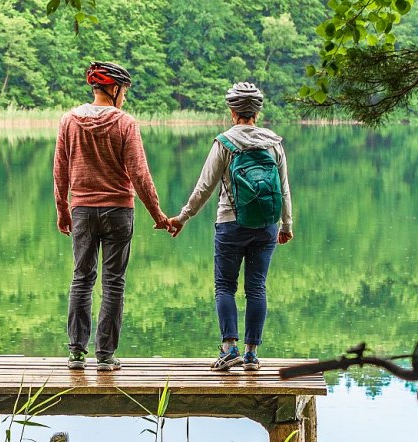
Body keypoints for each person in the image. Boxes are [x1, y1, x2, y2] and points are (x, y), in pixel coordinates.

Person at [53, 61, 173, 372]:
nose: (125, 99)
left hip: (81, 210)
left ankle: (76, 354)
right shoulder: (125, 123)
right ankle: (105, 356)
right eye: (125, 93)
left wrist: (62, 209)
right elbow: (139, 173)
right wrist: (157, 214)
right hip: (119, 211)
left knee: (81, 278)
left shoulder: (69, 120)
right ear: (114, 89)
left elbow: (60, 169)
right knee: (114, 283)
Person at [166, 82, 293, 371]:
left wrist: (182, 218)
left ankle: (229, 349)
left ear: (232, 112)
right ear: (257, 113)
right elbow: (284, 189)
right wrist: (286, 224)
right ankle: (251, 356)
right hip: (266, 225)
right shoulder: (274, 143)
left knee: (225, 286)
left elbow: (204, 187)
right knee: (257, 288)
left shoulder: (224, 142)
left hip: (230, 223)